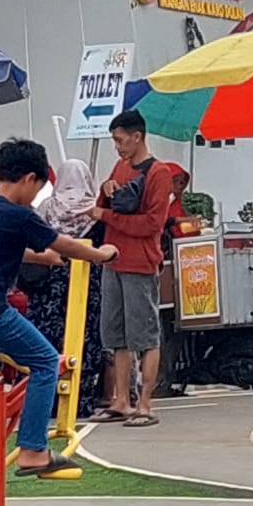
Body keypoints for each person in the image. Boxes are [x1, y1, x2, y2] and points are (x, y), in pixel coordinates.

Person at [0, 139, 117, 476]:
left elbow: (2, 249)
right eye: (38, 187)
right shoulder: (18, 214)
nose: (35, 197)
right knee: (46, 362)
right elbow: (66, 244)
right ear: (30, 178)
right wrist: (101, 254)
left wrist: (42, 258)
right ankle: (33, 450)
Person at [86, 110, 174, 428]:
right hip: (113, 260)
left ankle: (145, 402)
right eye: (115, 141)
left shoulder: (159, 173)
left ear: (138, 137)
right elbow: (101, 206)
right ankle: (121, 399)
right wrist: (107, 190)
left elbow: (151, 224)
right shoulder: (120, 167)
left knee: (145, 335)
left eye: (121, 140)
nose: (118, 147)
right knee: (116, 335)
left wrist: (107, 215)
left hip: (140, 262)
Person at [28, 159, 107, 421]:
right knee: (85, 341)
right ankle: (80, 400)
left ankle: (44, 402)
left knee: (46, 343)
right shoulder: (94, 210)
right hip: (87, 284)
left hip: (49, 285)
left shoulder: (46, 208)